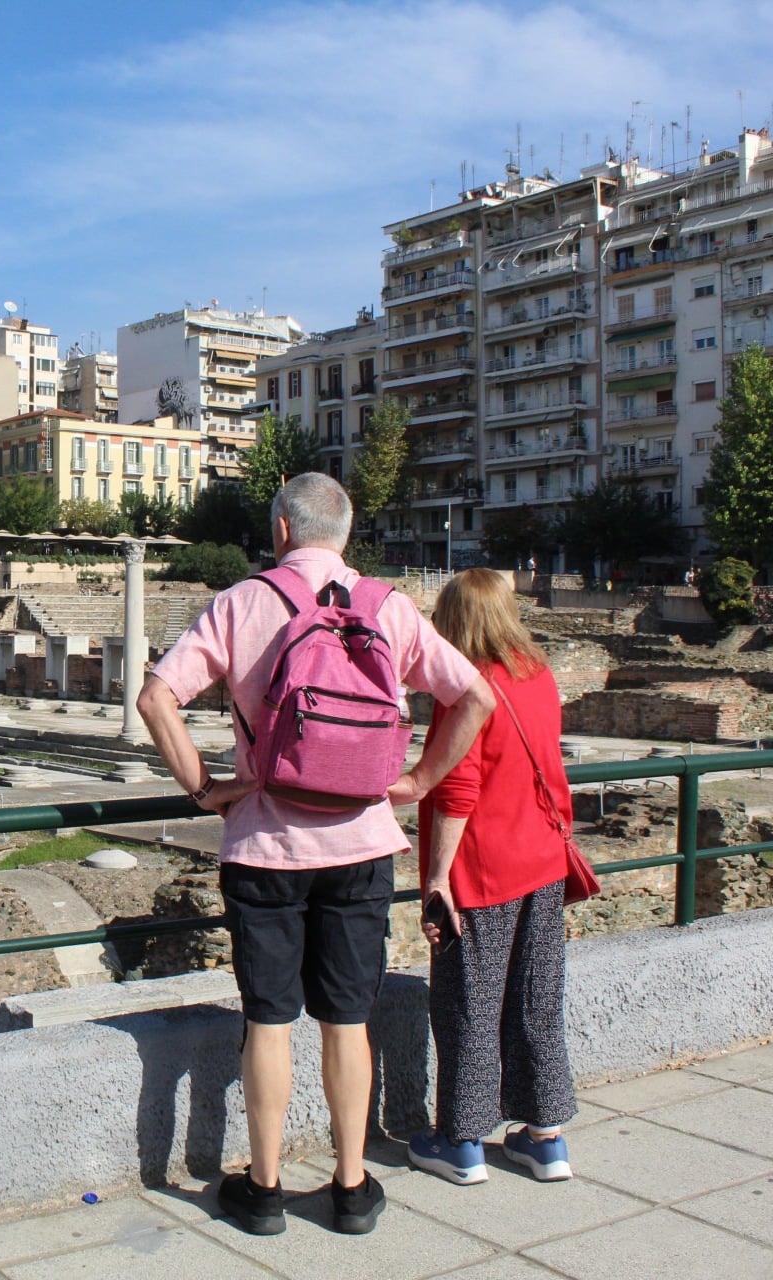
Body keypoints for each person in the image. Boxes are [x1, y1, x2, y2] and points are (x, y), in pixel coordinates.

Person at [139, 473, 494, 1237]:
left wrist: (205, 789)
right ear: (345, 535)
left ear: (280, 532)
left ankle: (263, 1191)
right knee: (347, 1021)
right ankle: (351, 1185)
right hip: (363, 846)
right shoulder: (389, 608)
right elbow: (475, 698)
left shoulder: (241, 603)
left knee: (268, 1021)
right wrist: (420, 780)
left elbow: (156, 699)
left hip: (265, 845)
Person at [407, 568, 578, 1187]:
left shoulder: (468, 691)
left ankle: (461, 1142)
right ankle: (545, 1139)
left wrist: (436, 880)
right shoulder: (539, 676)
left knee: (467, 1006)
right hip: (543, 861)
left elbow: (457, 789)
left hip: (484, 867)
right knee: (537, 1001)